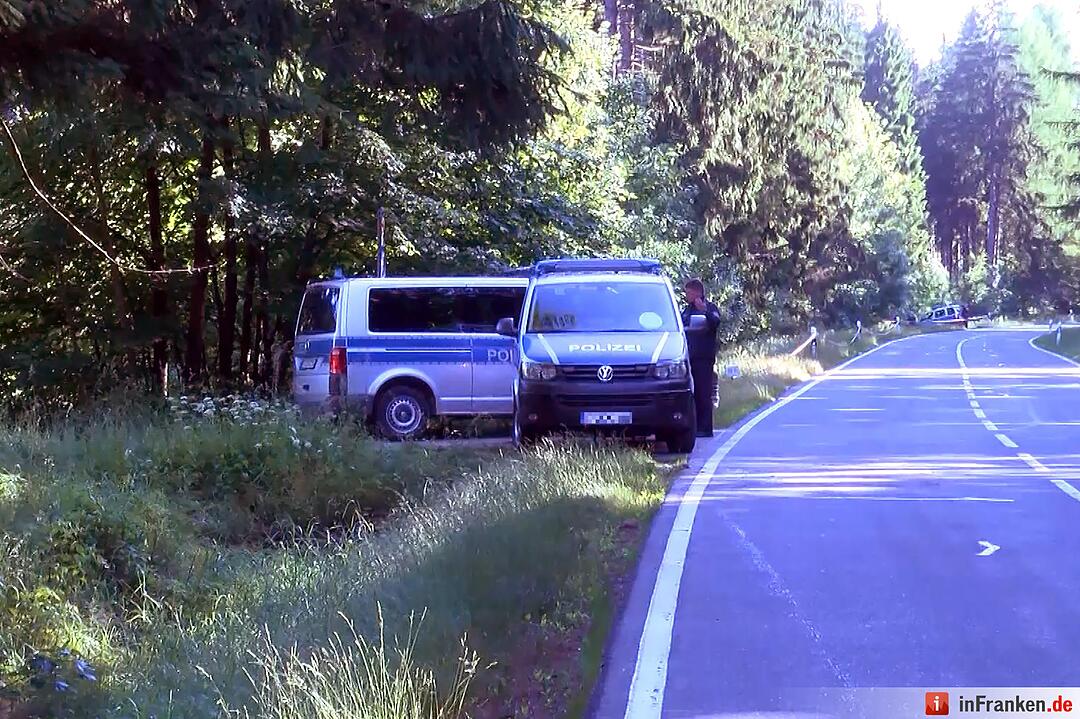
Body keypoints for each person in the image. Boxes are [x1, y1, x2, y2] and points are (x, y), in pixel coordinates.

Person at [681, 279, 722, 438]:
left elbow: (715, 322)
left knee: (704, 393)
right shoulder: (687, 311)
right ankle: (693, 427)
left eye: (689, 293)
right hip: (689, 357)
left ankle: (705, 428)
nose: (686, 296)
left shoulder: (710, 308)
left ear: (697, 293)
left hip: (704, 358)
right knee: (692, 393)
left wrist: (704, 311)